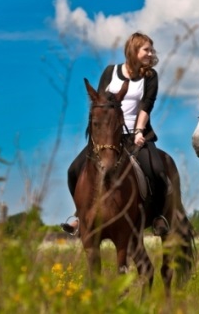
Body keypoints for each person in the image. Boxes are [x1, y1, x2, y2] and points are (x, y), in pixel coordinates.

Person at [61, 32, 169, 237]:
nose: (150, 53)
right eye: (146, 49)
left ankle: (158, 216)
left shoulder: (150, 76)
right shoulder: (111, 72)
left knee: (158, 171)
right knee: (73, 170)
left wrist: (139, 131)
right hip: (108, 137)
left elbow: (146, 105)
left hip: (137, 135)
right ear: (133, 50)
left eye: (151, 50)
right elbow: (98, 103)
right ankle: (80, 216)